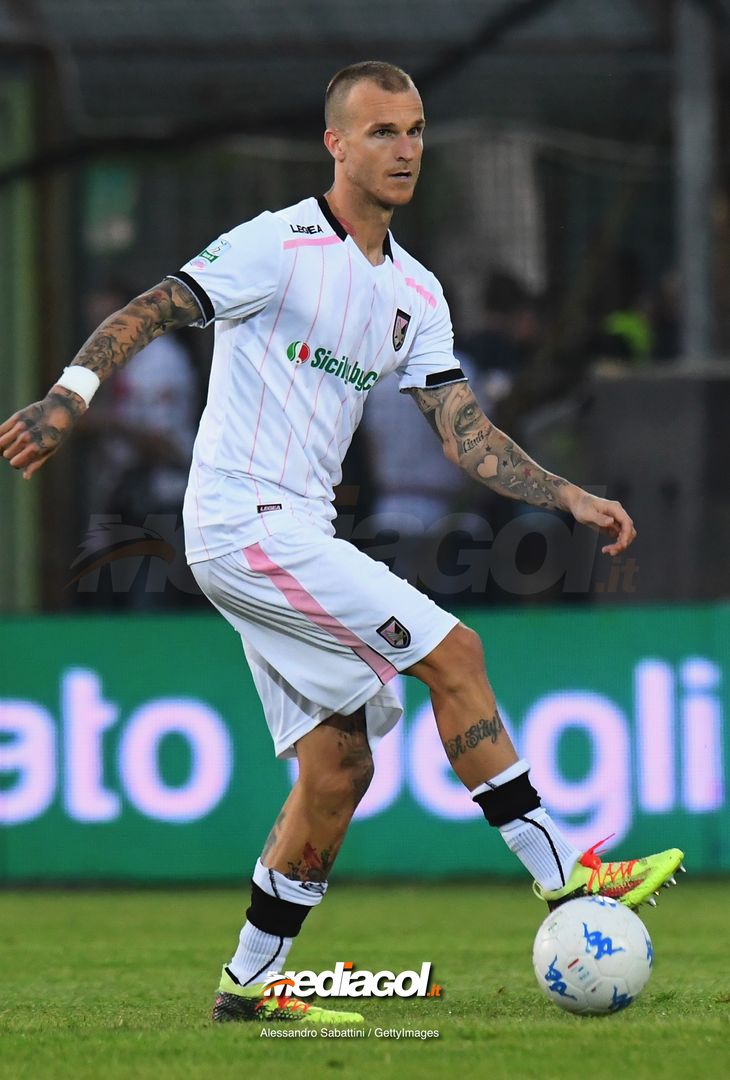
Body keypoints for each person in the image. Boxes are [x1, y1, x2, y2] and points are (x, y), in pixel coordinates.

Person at [0, 61, 684, 1026]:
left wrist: (565, 493)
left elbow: (463, 430)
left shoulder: (414, 290)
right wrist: (69, 397)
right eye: (381, 131)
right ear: (336, 142)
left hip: (290, 531)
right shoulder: (275, 245)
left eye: (414, 131)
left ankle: (250, 983)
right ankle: (567, 878)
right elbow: (151, 306)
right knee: (456, 652)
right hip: (243, 519)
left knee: (339, 766)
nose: (404, 148)